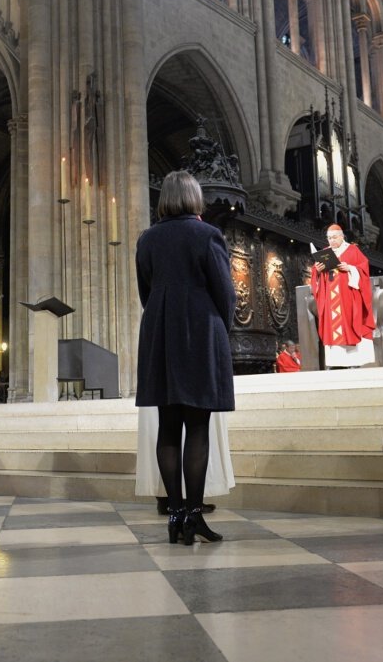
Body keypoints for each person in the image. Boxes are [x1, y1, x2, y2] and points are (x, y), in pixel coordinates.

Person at [136, 171, 236, 545]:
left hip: (159, 332)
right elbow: (224, 292)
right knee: (197, 427)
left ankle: (175, 515)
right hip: (199, 328)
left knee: (167, 426)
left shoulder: (147, 239)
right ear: (195, 198)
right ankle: (194, 515)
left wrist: (163, 315)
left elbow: (145, 291)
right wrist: (217, 330)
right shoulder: (206, 234)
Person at [310, 224, 376, 367]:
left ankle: (354, 361)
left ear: (341, 236)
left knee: (350, 324)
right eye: (329, 238)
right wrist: (318, 270)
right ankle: (336, 362)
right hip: (330, 299)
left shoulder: (353, 250)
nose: (331, 241)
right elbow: (316, 278)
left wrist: (350, 268)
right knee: (333, 326)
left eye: (334, 237)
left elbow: (364, 270)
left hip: (348, 297)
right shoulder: (326, 252)